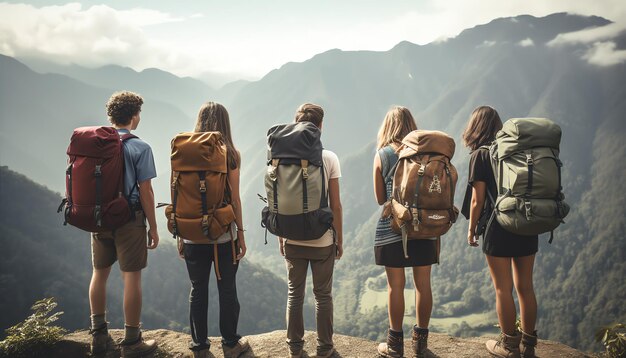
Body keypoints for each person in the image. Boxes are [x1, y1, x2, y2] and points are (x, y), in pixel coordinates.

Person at [462, 105, 539, 358]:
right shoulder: (517, 150)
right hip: (526, 223)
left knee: (502, 289)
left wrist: (471, 229)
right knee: (525, 287)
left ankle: (509, 347)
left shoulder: (481, 155)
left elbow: (477, 200)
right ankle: (529, 347)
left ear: (475, 127)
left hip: (498, 228)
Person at [89, 91, 159, 357]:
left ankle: (98, 336)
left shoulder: (95, 144)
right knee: (131, 278)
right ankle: (131, 341)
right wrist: (153, 226)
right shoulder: (140, 147)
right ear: (134, 116)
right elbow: (146, 191)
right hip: (129, 220)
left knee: (99, 273)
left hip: (98, 217)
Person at [182, 102, 249, 358]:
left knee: (197, 288)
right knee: (227, 288)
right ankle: (230, 344)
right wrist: (240, 233)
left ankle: (199, 346)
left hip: (191, 233)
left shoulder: (184, 151)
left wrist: (181, 233)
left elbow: (179, 195)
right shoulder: (230, 153)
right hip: (222, 235)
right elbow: (235, 199)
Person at [278, 103, 343, 358]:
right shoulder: (329, 158)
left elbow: (281, 200)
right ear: (321, 127)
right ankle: (325, 349)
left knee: (295, 294)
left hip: (292, 237)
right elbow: (335, 204)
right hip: (322, 238)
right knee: (323, 295)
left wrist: (282, 236)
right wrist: (339, 238)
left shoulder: (282, 158)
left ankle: (295, 348)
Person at [373, 106, 438, 358]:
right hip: (424, 226)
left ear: (387, 126)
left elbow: (381, 199)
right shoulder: (426, 153)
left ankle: (394, 346)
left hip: (393, 228)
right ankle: (420, 345)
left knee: (395, 287)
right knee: (423, 285)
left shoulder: (383, 155)